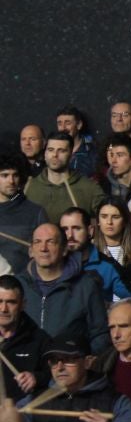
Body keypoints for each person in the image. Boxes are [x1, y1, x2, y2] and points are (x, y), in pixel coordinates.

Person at [19, 222, 112, 350]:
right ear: (30, 251)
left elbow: (100, 334)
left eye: (50, 242)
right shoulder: (18, 286)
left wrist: (86, 361)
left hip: (69, 364)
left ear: (64, 249)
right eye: (37, 242)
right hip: (26, 366)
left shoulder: (85, 286)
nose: (43, 248)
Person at [24, 132, 105, 223]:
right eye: (50, 150)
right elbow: (10, 206)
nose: (55, 154)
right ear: (45, 154)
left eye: (61, 151)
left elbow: (107, 217)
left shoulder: (90, 188)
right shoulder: (28, 187)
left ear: (71, 156)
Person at [0, 155, 48, 271]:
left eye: (15, 175)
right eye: (5, 175)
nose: (11, 181)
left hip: (24, 282)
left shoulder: (35, 212)